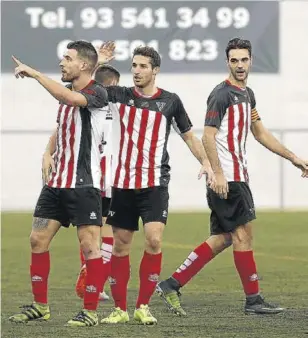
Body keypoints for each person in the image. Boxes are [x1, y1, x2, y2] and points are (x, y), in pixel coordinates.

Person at [156, 37, 308, 316]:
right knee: (243, 235)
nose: (239, 65)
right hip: (229, 178)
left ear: (251, 60)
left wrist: (295, 158)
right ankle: (253, 301)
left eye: (244, 59)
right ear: (227, 62)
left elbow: (260, 132)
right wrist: (218, 172)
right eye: (234, 60)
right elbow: (208, 135)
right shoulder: (221, 94)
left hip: (236, 176)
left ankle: (171, 284)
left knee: (225, 237)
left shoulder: (247, 94)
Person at [96, 44, 214, 325]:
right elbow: (84, 86)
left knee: (154, 239)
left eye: (142, 66)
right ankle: (120, 309)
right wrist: (98, 61)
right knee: (121, 246)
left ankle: (143, 306)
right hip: (123, 183)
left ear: (155, 70)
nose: (136, 71)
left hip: (154, 183)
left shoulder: (170, 101)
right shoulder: (120, 95)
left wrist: (206, 162)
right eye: (133, 66)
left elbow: (189, 136)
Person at [9, 40, 109, 327]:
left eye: (67, 58)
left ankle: (90, 311)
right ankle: (41, 306)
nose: (62, 62)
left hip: (83, 184)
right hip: (56, 183)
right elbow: (62, 126)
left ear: (84, 66)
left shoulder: (96, 93)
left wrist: (36, 74)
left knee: (90, 247)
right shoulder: (71, 94)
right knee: (37, 239)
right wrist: (47, 151)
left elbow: (69, 99)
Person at [75, 64, 121, 301]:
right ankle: (95, 279)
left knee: (91, 230)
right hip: (110, 177)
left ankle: (91, 275)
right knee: (108, 231)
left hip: (91, 176)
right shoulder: (116, 105)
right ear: (112, 84)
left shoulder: (86, 105)